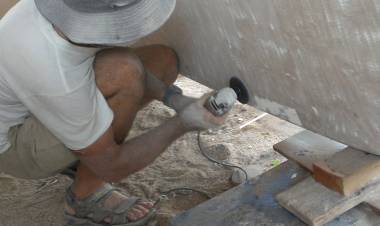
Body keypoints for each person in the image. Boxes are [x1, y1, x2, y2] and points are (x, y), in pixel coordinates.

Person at [0, 0, 227, 225]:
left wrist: (174, 99)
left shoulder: (69, 9)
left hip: (34, 100)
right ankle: (86, 197)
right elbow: (112, 166)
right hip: (13, 144)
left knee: (162, 61)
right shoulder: (57, 77)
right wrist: (183, 123)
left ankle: (82, 148)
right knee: (124, 73)